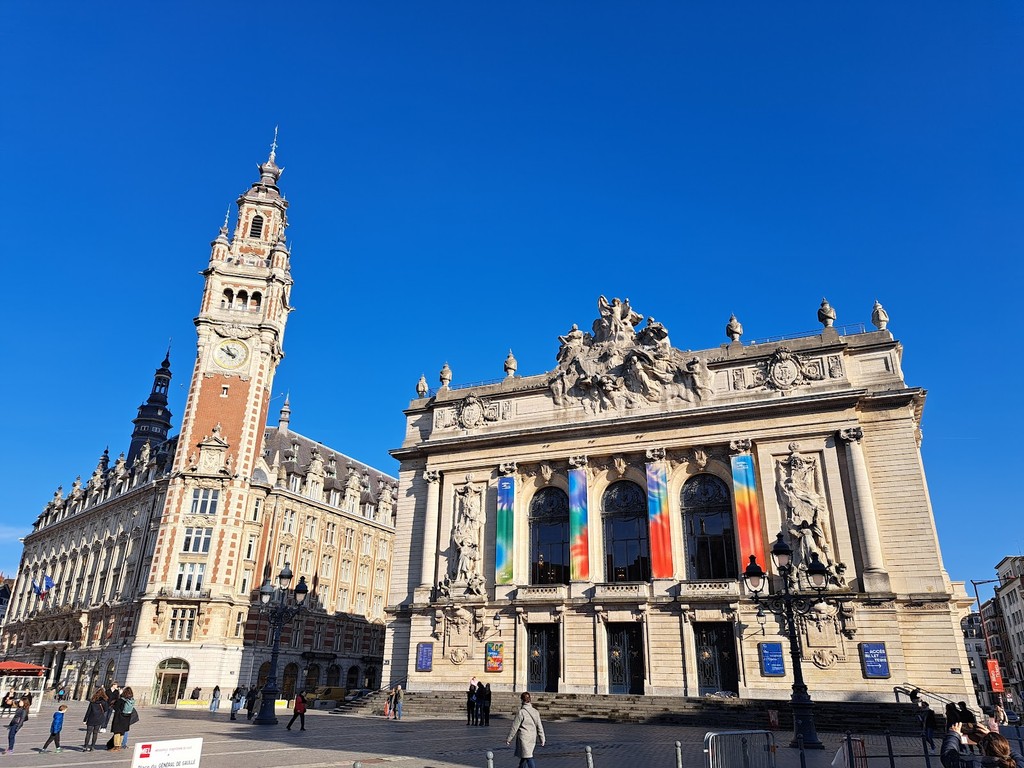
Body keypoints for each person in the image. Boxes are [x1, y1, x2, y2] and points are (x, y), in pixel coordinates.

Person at [942, 722, 1024, 768]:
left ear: (984, 750)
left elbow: (948, 758)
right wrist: (992, 737)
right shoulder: (1018, 765)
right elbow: (1017, 756)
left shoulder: (975, 765)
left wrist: (954, 734)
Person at [506, 692, 545, 768]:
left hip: (524, 738)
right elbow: (539, 726)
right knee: (525, 756)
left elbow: (515, 727)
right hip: (532, 738)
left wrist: (509, 739)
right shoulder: (535, 712)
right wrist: (542, 739)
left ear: (522, 700)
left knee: (528, 757)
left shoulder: (521, 712)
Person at [110, 686, 138, 751]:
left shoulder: (121, 700)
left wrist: (113, 705)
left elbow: (117, 708)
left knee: (117, 732)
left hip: (119, 718)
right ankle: (120, 745)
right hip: (126, 718)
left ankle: (116, 746)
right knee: (122, 732)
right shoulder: (131, 700)